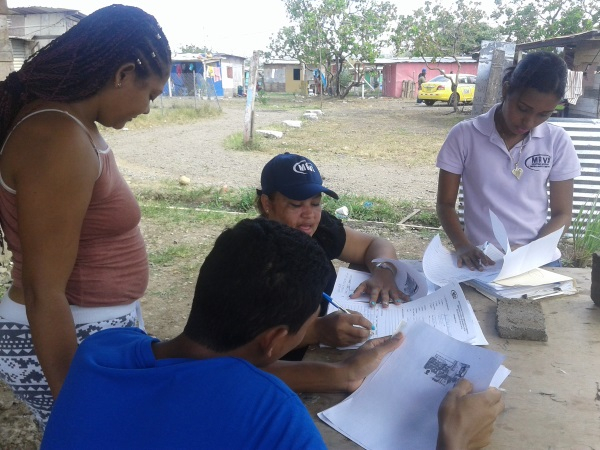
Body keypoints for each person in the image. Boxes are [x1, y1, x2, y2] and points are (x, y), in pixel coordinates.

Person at [41, 218, 504, 449]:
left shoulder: (101, 352)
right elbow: (234, 385)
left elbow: (204, 374)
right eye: (308, 328)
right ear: (274, 340)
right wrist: (453, 442)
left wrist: (342, 373)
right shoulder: (268, 412)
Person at [0, 5, 171, 428]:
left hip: (90, 328)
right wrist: (76, 404)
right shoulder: (57, 138)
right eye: (150, 95)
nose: (147, 110)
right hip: (69, 334)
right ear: (123, 74)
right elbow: (43, 291)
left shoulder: (73, 126)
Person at [436, 51, 581, 271]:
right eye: (523, 109)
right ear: (506, 90)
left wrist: (530, 252)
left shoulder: (556, 141)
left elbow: (563, 214)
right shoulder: (464, 136)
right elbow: (445, 204)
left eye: (543, 114)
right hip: (482, 259)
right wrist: (463, 246)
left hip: (539, 258)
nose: (529, 121)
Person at [256, 152, 406, 357]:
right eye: (296, 204)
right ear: (267, 204)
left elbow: (375, 244)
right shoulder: (251, 254)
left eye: (315, 203)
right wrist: (317, 332)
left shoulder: (316, 229)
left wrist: (384, 270)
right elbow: (247, 347)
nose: (309, 214)